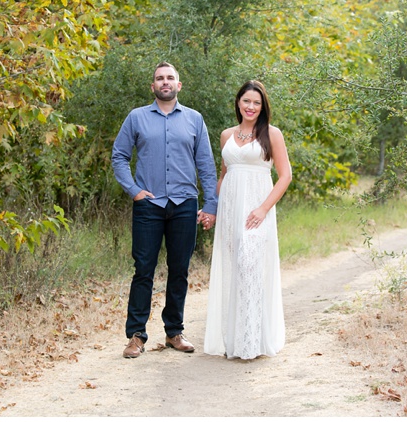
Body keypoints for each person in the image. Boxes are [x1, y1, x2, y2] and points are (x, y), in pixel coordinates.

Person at [112, 62, 218, 358]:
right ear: (153, 86)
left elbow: (206, 166)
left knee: (179, 270)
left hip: (185, 204)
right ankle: (136, 336)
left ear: (179, 85)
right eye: (160, 78)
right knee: (143, 269)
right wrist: (134, 191)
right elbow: (119, 156)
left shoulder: (195, 120)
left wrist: (211, 204)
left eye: (170, 77)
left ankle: (174, 332)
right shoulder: (136, 118)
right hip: (149, 205)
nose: (165, 82)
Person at [203, 80, 292, 360]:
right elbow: (224, 175)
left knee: (251, 268)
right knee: (235, 269)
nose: (251, 107)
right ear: (238, 102)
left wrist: (263, 208)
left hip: (256, 210)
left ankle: (253, 340)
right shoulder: (226, 135)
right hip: (230, 210)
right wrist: (213, 209)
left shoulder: (272, 134)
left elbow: (285, 175)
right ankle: (235, 339)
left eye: (257, 102)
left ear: (263, 106)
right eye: (246, 101)